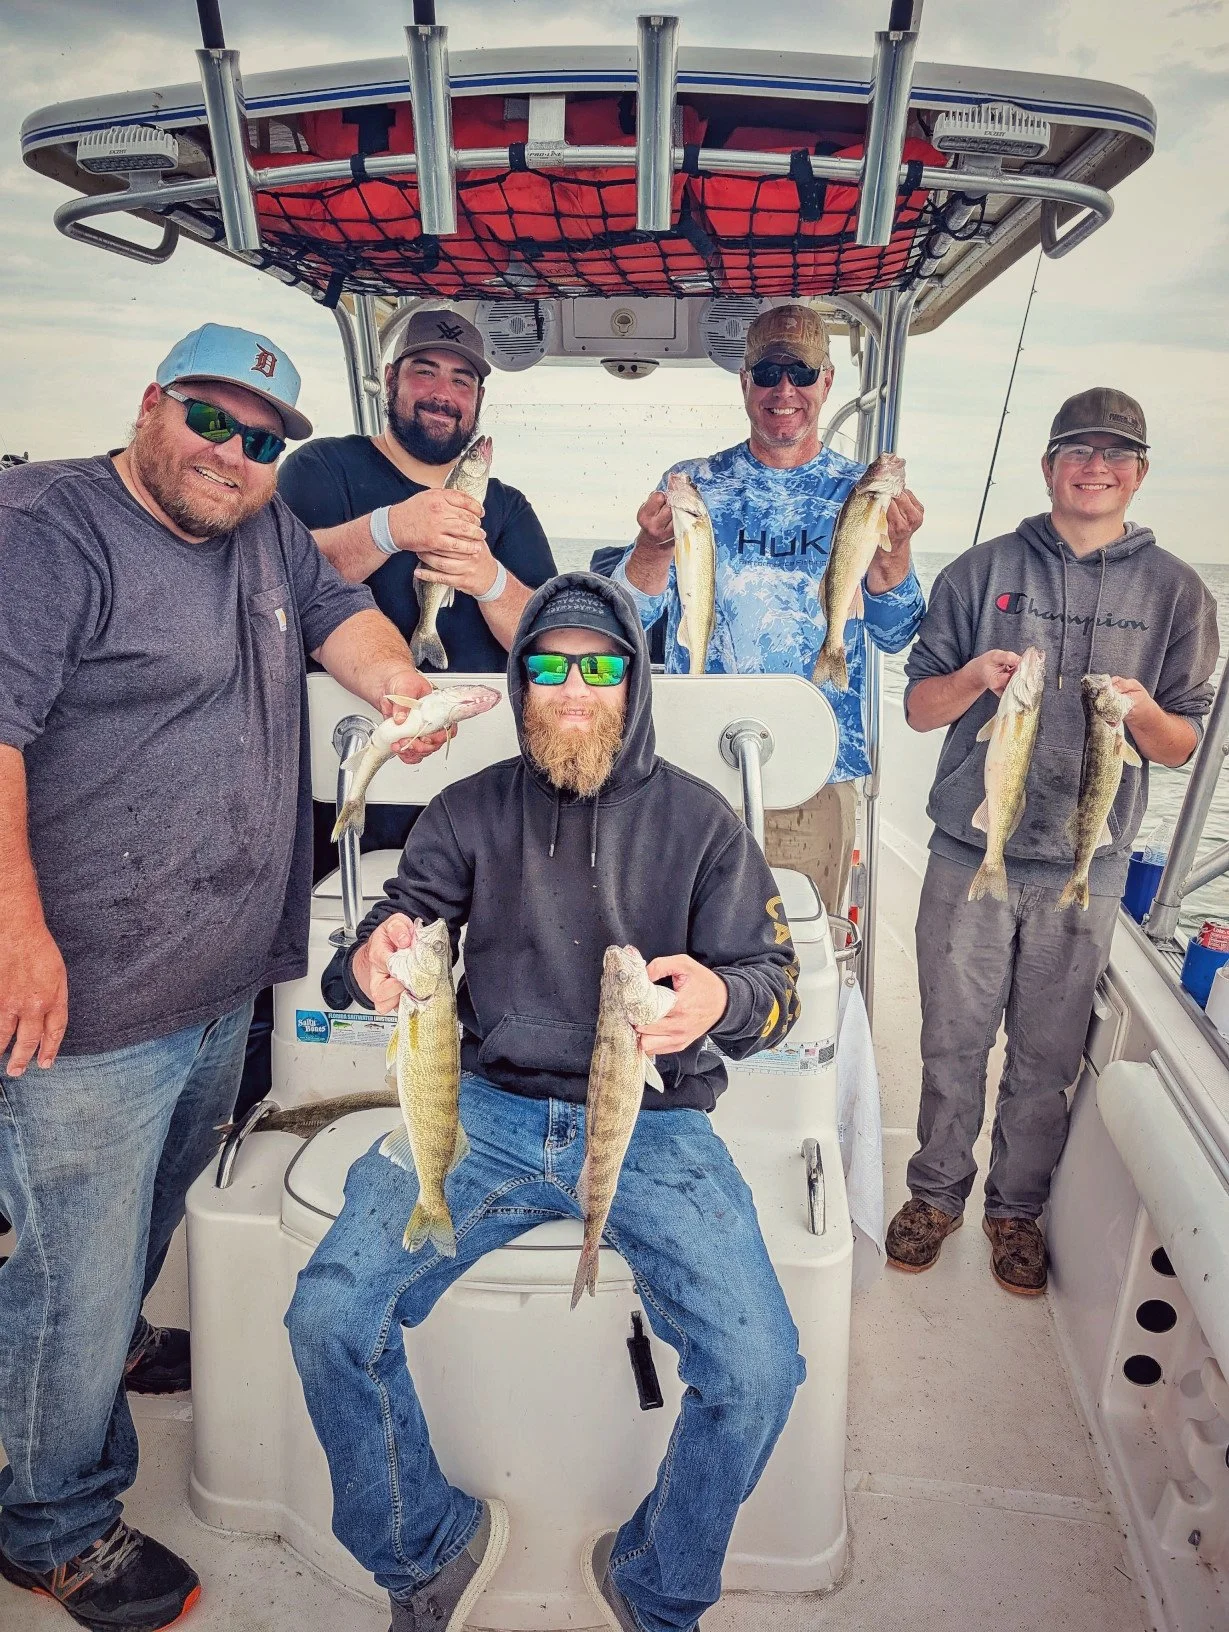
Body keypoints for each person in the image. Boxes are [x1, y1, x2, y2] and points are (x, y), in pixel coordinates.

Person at [0, 323, 448, 1632]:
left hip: (211, 985)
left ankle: (99, 1358)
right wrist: (15, 936)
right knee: (71, 1271)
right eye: (212, 420)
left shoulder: (261, 532)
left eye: (262, 440)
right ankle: (53, 1523)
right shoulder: (50, 526)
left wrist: (403, 688)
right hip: (81, 1002)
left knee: (136, 1228)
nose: (233, 453)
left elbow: (342, 615)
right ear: (152, 407)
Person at [286, 573, 805, 1632]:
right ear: (521, 682)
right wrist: (370, 960)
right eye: (552, 665)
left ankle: (657, 1585)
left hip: (657, 1129)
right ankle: (422, 1551)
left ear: (634, 681)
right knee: (328, 1315)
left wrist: (714, 997)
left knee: (758, 1371)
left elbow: (773, 989)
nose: (576, 685)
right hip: (486, 1117)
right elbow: (388, 931)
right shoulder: (469, 809)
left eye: (601, 664)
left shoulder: (702, 827)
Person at [888, 388, 1219, 1295]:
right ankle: (935, 1192)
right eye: (1078, 450)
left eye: (1116, 455)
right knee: (952, 1039)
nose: (1095, 467)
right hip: (970, 850)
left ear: (1139, 473)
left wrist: (1143, 710)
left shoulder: (1179, 592)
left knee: (1045, 1050)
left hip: (1087, 863)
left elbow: (1182, 744)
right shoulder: (980, 568)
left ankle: (1013, 1210)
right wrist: (968, 677)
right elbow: (919, 710)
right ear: (1048, 465)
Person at [232, 309, 560, 1119]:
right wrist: (391, 527)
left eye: (462, 380)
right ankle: (278, 1098)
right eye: (425, 372)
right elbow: (276, 574)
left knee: (458, 943)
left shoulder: (507, 507)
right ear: (390, 381)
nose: (442, 394)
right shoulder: (321, 468)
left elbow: (544, 639)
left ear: (480, 402)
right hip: (321, 769)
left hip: (465, 776)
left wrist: (486, 579)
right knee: (305, 947)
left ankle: (456, 1103)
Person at [616, 302, 927, 917]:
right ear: (744, 382)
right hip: (697, 758)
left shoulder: (860, 490)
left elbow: (897, 636)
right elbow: (632, 621)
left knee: (801, 948)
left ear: (828, 382)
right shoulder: (693, 482)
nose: (784, 389)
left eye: (803, 373)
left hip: (818, 760)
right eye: (767, 372)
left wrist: (897, 564)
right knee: (688, 941)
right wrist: (651, 553)